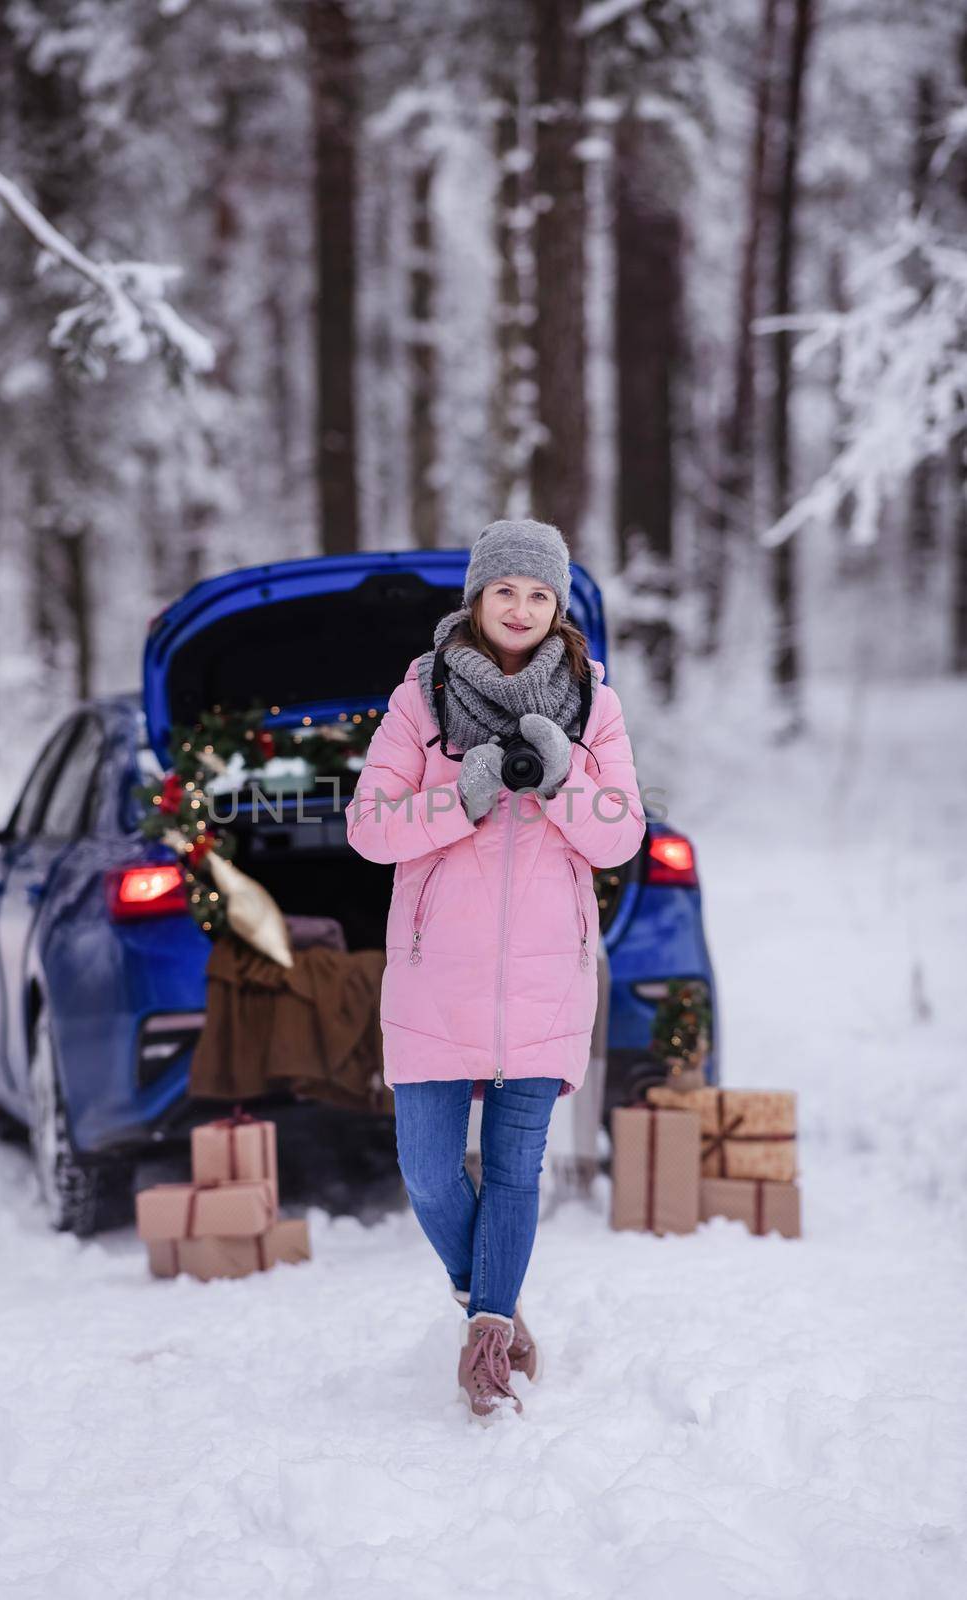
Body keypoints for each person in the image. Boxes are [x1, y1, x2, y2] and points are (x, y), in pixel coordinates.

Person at [344, 518, 646, 1423]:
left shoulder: (594, 703)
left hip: (548, 973)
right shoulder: (420, 699)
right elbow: (369, 828)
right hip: (440, 972)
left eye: (540, 594)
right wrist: (463, 792)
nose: (521, 608)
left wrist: (562, 781)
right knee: (430, 1172)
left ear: (559, 609)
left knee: (516, 1170)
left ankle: (485, 1341)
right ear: (477, 599)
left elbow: (623, 832)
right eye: (505, 590)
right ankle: (496, 1301)